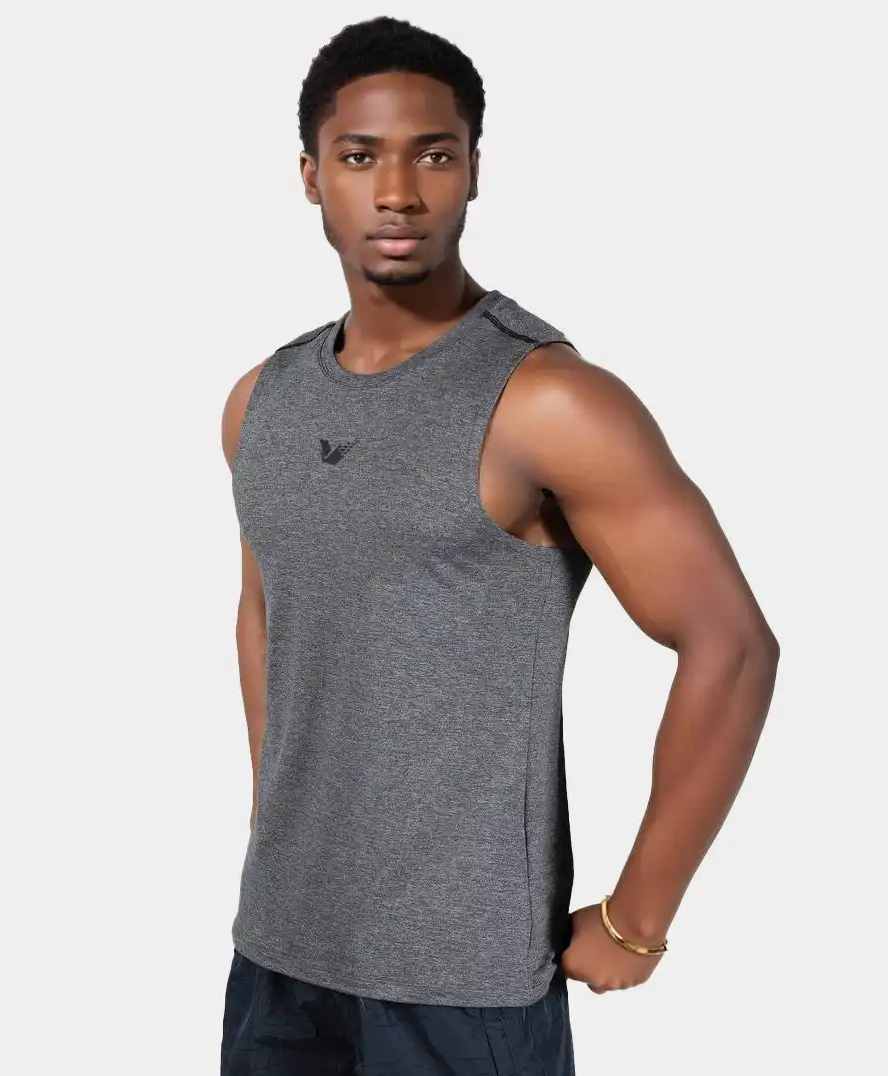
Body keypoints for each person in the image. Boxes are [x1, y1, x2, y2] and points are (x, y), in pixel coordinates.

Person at [219, 15, 780, 1076]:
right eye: (359, 157)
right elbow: (267, 617)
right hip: (279, 952)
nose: (396, 192)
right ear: (310, 176)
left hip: (463, 979)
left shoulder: (546, 399)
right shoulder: (263, 400)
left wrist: (638, 914)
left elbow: (731, 644)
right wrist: (276, 823)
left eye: (432, 155)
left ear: (474, 170)